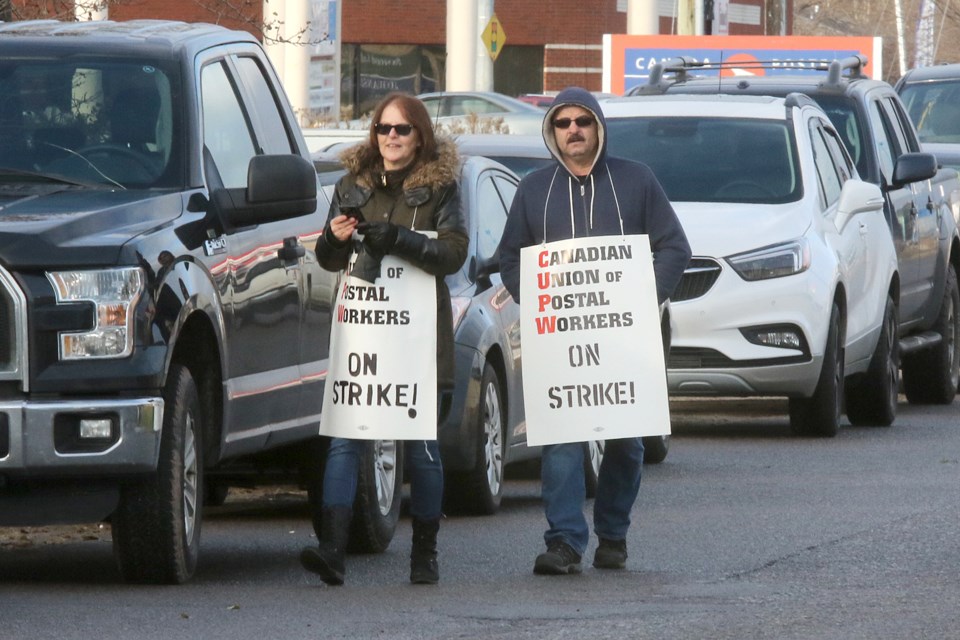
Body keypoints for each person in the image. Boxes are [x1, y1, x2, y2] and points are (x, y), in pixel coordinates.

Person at [498, 86, 691, 575]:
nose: (573, 131)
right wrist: (538, 299)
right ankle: (563, 541)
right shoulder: (533, 190)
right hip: (560, 340)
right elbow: (510, 258)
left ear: (598, 126)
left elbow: (674, 247)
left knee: (625, 443)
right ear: (553, 132)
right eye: (563, 123)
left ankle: (613, 534)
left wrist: (646, 298)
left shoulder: (636, 180)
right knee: (562, 439)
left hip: (624, 340)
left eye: (582, 121)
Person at [300, 92, 468, 585]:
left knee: (421, 446)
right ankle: (331, 550)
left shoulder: (440, 188)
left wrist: (397, 238)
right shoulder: (352, 183)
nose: (390, 138)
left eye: (401, 130)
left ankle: (425, 555)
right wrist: (332, 236)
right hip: (364, 338)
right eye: (382, 129)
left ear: (420, 136)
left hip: (418, 339)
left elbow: (454, 253)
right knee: (344, 442)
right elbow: (329, 261)